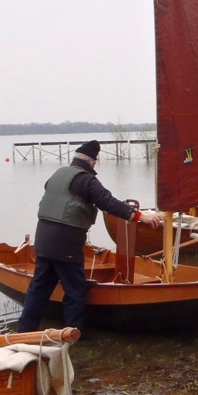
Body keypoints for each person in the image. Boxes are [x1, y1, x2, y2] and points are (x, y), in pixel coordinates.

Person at [17, 140, 161, 332]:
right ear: (93, 162)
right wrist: (140, 216)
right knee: (75, 289)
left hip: (43, 240)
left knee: (39, 287)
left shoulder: (57, 175)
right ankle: (73, 333)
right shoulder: (86, 180)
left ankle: (24, 330)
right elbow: (108, 202)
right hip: (66, 243)